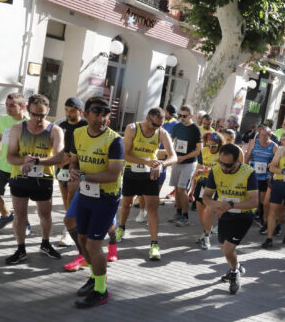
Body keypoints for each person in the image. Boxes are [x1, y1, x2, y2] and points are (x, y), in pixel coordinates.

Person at [67, 97, 125, 308]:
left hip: (106, 198)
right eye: (96, 112)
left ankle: (102, 290)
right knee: (82, 240)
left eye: (105, 114)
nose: (101, 117)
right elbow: (74, 160)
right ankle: (95, 277)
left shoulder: (115, 140)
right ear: (85, 114)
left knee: (93, 245)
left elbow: (112, 174)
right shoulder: (78, 133)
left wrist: (82, 177)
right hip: (85, 195)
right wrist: (73, 169)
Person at [4, 94, 65, 264]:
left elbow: (59, 158)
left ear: (48, 112)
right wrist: (24, 160)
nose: (38, 119)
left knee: (44, 214)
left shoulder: (55, 130)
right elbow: (10, 157)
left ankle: (45, 244)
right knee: (19, 216)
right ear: (27, 110)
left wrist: (37, 161)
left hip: (43, 179)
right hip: (20, 177)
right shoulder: (17, 128)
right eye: (34, 114)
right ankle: (20, 249)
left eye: (42, 115)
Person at [115, 108, 176, 260]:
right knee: (127, 204)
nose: (155, 128)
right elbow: (125, 154)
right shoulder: (132, 128)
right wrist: (146, 161)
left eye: (159, 125)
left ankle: (154, 245)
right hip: (132, 173)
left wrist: (162, 165)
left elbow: (174, 156)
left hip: (150, 175)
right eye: (154, 124)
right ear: (147, 118)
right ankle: (121, 228)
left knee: (152, 209)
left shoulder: (161, 132)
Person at [201, 144, 258, 294]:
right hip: (225, 214)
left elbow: (254, 202)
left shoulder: (249, 173)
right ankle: (237, 267)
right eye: (221, 163)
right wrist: (219, 205)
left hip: (243, 215)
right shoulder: (215, 170)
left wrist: (232, 205)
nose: (224, 167)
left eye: (228, 165)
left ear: (237, 161)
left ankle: (234, 273)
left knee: (228, 249)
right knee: (223, 247)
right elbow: (206, 197)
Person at [55, 97, 86, 247]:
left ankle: (77, 228)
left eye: (72, 111)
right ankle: (68, 229)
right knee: (66, 199)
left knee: (76, 199)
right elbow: (54, 146)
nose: (69, 113)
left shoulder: (86, 124)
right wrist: (60, 161)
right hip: (62, 167)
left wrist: (71, 160)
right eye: (67, 110)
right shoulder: (60, 124)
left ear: (80, 111)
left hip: (80, 168)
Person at [0, 93, 28, 233]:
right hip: (1, 165)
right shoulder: (2, 120)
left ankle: (24, 222)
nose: (8, 108)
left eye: (12, 106)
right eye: (7, 105)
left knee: (20, 200)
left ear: (22, 107)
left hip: (19, 168)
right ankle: (6, 215)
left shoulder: (28, 123)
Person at [169, 105, 203, 227]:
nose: (181, 118)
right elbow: (171, 142)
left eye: (184, 116)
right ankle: (178, 213)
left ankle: (185, 216)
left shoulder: (196, 129)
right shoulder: (177, 126)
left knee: (182, 189)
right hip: (176, 162)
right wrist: (171, 155)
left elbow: (198, 151)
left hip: (189, 163)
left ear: (191, 116)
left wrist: (184, 157)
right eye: (180, 115)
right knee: (177, 190)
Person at [245, 124, 278, 234]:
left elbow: (277, 162)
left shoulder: (274, 146)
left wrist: (272, 173)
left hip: (265, 176)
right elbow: (248, 156)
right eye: (260, 135)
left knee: (263, 200)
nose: (262, 138)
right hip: (254, 174)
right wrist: (244, 169)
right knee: (254, 196)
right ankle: (257, 215)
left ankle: (263, 217)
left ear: (269, 135)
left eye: (265, 135)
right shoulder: (254, 143)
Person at [195, 133, 223, 249]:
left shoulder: (222, 153)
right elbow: (199, 165)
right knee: (201, 211)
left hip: (214, 185)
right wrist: (198, 172)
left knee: (209, 212)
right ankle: (205, 231)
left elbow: (219, 170)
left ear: (219, 145)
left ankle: (207, 237)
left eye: (214, 146)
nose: (211, 148)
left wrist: (205, 170)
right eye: (209, 145)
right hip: (201, 183)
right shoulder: (204, 151)